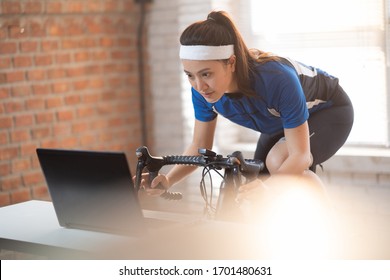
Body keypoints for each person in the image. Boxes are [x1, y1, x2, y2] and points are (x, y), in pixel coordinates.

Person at [141, 10, 354, 200]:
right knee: (256, 182)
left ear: (231, 62)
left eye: (206, 74)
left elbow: (300, 156)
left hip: (330, 110)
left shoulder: (276, 78)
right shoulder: (203, 91)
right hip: (278, 122)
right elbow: (198, 146)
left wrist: (270, 190)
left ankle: (324, 226)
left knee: (277, 163)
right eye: (190, 75)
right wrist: (168, 181)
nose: (199, 85)